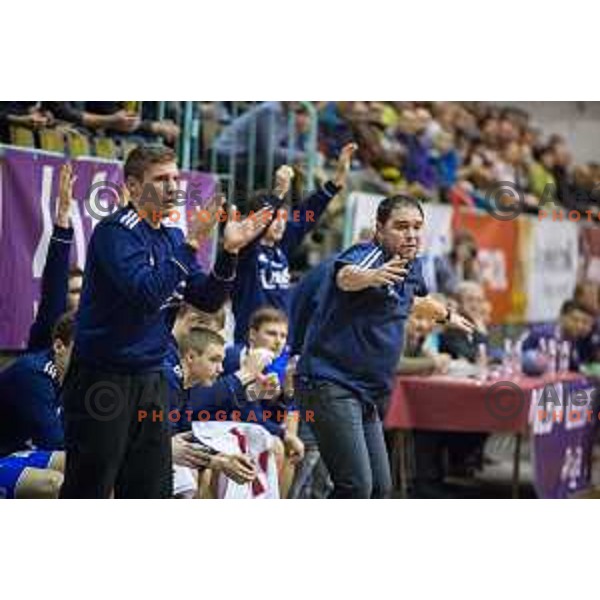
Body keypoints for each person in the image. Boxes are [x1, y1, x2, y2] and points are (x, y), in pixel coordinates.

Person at [59, 144, 271, 499]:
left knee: (150, 489)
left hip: (152, 378)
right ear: (132, 186)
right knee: (89, 488)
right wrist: (192, 242)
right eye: (161, 179)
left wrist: (229, 252)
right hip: (103, 379)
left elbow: (207, 299)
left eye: (176, 177)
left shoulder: (170, 236)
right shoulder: (116, 233)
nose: (173, 187)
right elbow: (147, 296)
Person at [295, 194, 474, 498]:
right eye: (401, 226)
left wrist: (447, 315)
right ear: (379, 229)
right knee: (356, 486)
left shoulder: (410, 265)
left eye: (417, 226)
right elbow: (346, 277)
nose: (411, 234)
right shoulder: (368, 254)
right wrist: (373, 276)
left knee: (381, 488)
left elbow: (414, 299)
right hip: (330, 384)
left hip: (366, 391)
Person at [232, 143, 356, 343]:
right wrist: (278, 193)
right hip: (250, 341)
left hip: (281, 340)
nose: (281, 223)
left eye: (283, 217)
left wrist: (336, 180)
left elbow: (307, 213)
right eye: (274, 218)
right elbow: (255, 231)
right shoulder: (246, 251)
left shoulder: (281, 246)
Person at [0, 313, 75, 499]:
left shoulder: (72, 381)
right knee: (54, 483)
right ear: (59, 346)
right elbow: (55, 441)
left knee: (98, 464)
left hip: (14, 456)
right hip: (4, 458)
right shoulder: (33, 375)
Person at [521, 300, 595, 374]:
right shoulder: (540, 335)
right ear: (562, 317)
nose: (579, 326)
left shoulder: (576, 341)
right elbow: (519, 361)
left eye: (583, 322)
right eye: (575, 320)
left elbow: (575, 368)